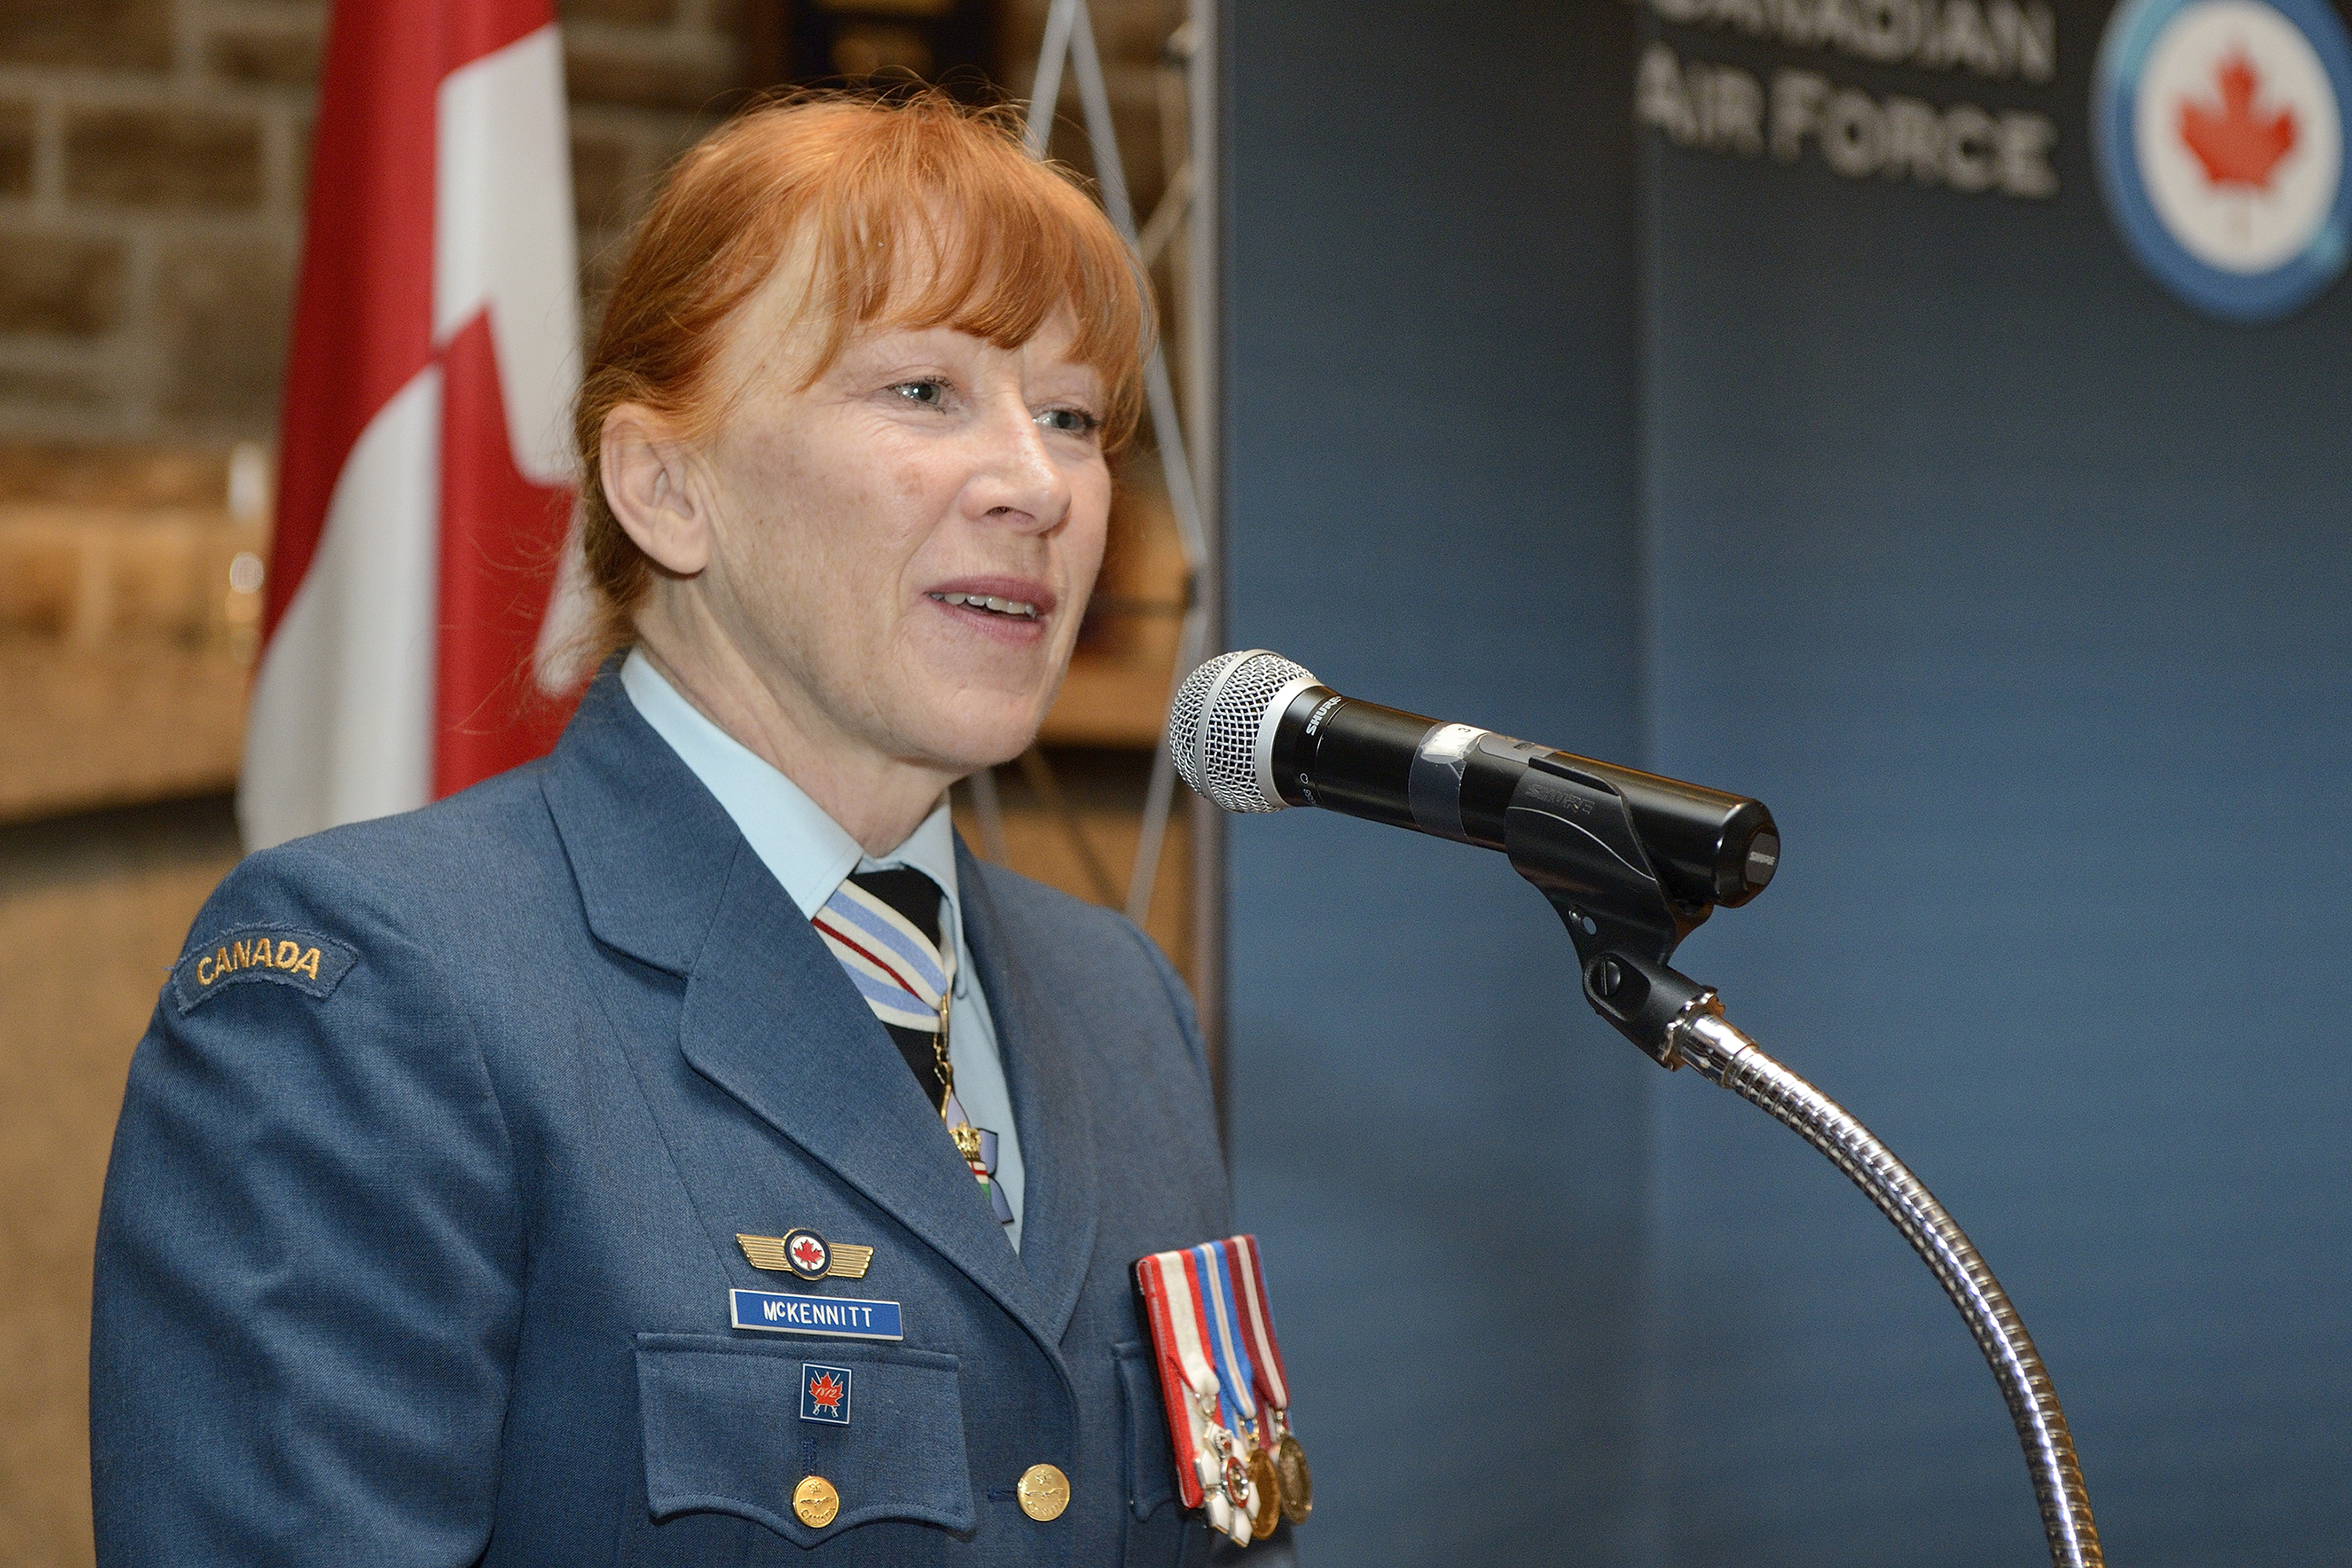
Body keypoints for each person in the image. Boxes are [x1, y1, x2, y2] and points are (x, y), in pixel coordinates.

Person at [91, 91, 1282, 1566]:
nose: (1036, 486)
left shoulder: (1123, 1008)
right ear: (666, 487)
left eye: (1072, 417)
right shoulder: (377, 996)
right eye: (923, 392)